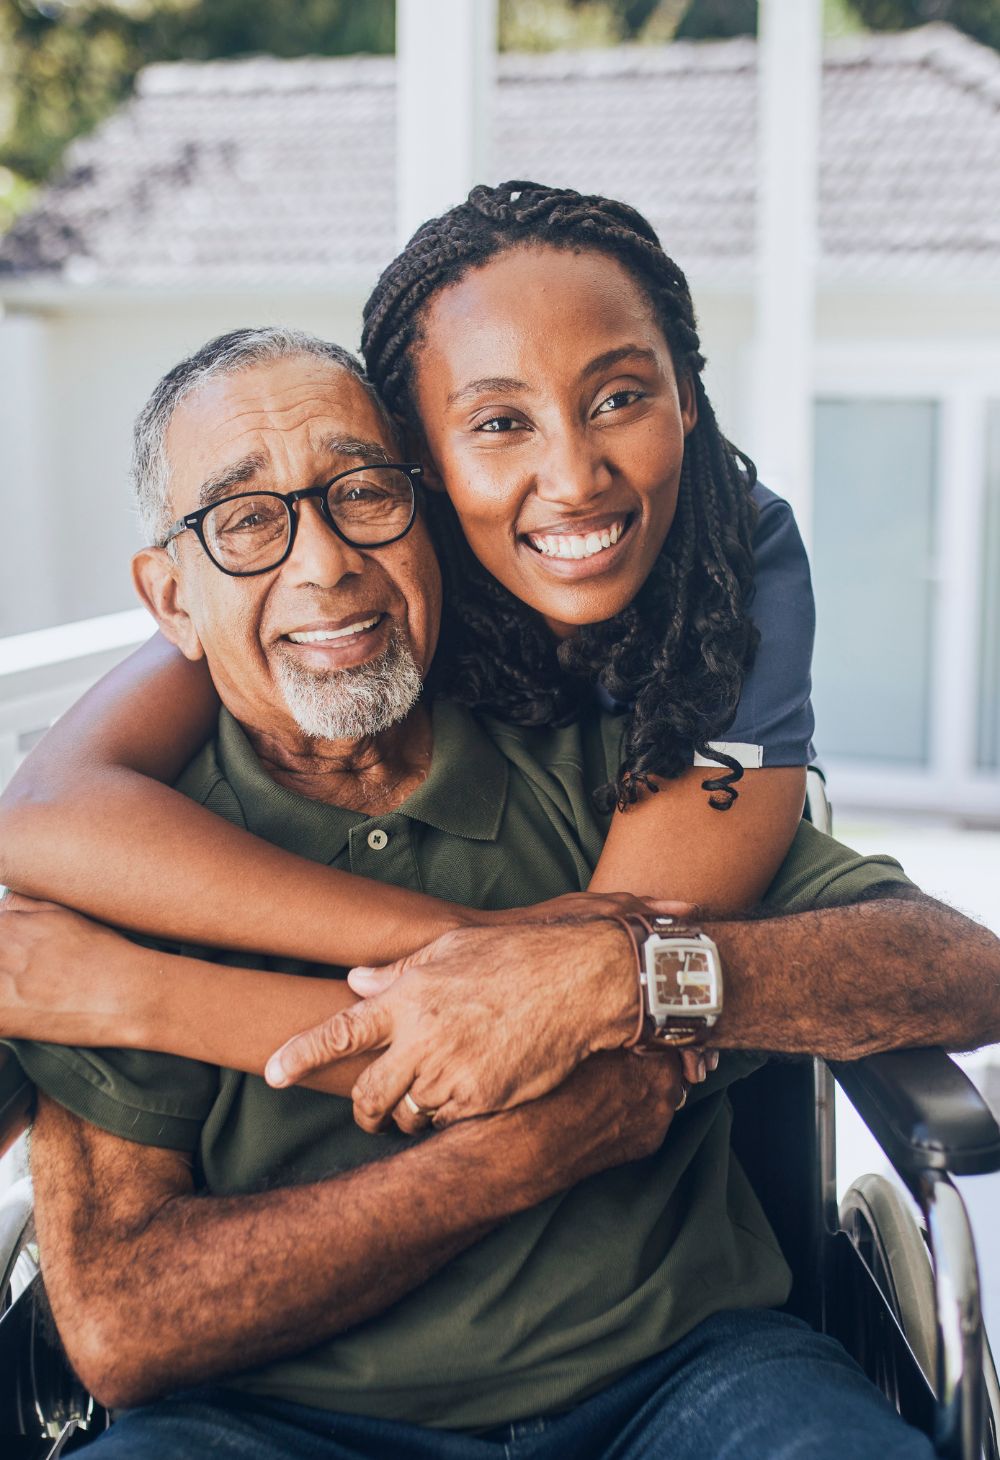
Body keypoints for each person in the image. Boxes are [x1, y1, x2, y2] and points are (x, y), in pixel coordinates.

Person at [6, 333, 997, 1459]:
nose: (324, 563)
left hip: (686, 1373)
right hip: (260, 1423)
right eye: (247, 520)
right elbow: (127, 1325)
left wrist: (618, 974)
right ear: (171, 598)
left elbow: (954, 965)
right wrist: (513, 1157)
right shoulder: (112, 876)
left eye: (363, 492)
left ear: (426, 521)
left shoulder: (609, 769)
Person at [0, 184, 814, 1057]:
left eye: (618, 398)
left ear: (687, 396)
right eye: (500, 422)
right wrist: (460, 933)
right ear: (421, 454)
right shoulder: (368, 552)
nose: (575, 478)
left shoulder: (734, 557)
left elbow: (592, 1024)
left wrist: (132, 997)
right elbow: (45, 814)